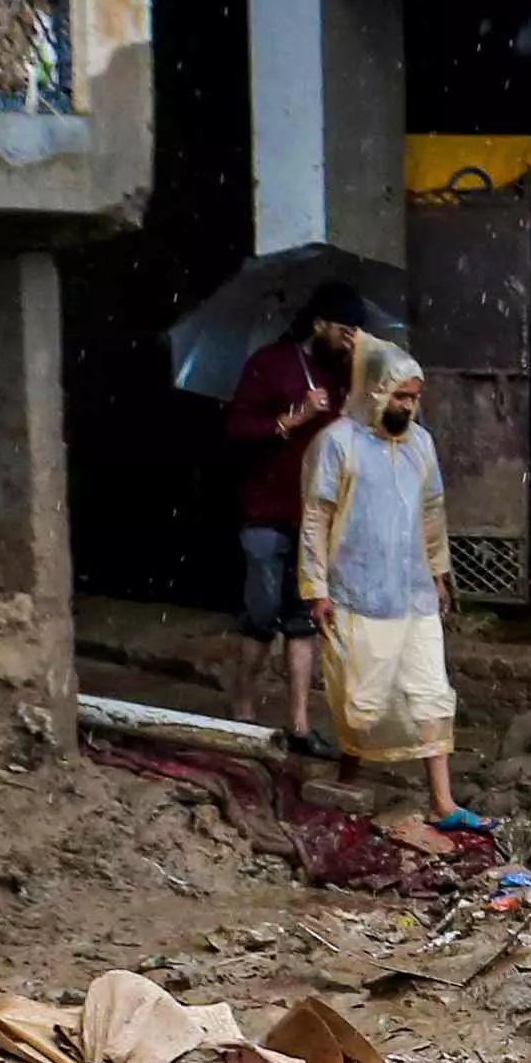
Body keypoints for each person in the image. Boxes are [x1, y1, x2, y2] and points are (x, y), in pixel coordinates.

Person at [297, 346, 480, 844]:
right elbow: (317, 516)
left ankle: (443, 800)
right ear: (375, 392)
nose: (408, 407)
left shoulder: (420, 444)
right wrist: (316, 587)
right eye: (400, 396)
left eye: (415, 398)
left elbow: (432, 511)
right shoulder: (338, 444)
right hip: (357, 592)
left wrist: (439, 574)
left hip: (414, 592)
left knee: (430, 691)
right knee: (362, 698)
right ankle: (349, 777)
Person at [223, 299, 355, 742]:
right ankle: (242, 709)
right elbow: (238, 428)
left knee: (304, 620)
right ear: (319, 324)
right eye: (344, 328)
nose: (350, 338)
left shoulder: (343, 375)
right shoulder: (270, 364)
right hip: (266, 512)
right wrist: (297, 417)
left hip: (316, 519)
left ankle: (299, 724)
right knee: (261, 615)